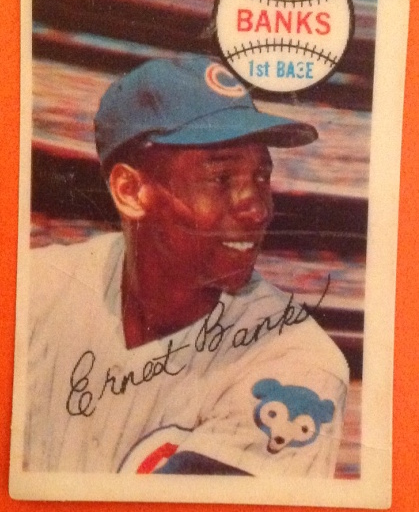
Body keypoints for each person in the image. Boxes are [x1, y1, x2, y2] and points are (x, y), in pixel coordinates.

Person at [24, 55, 349, 476]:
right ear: (130, 191)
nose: (258, 210)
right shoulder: (35, 290)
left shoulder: (299, 365)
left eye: (261, 178)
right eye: (222, 179)